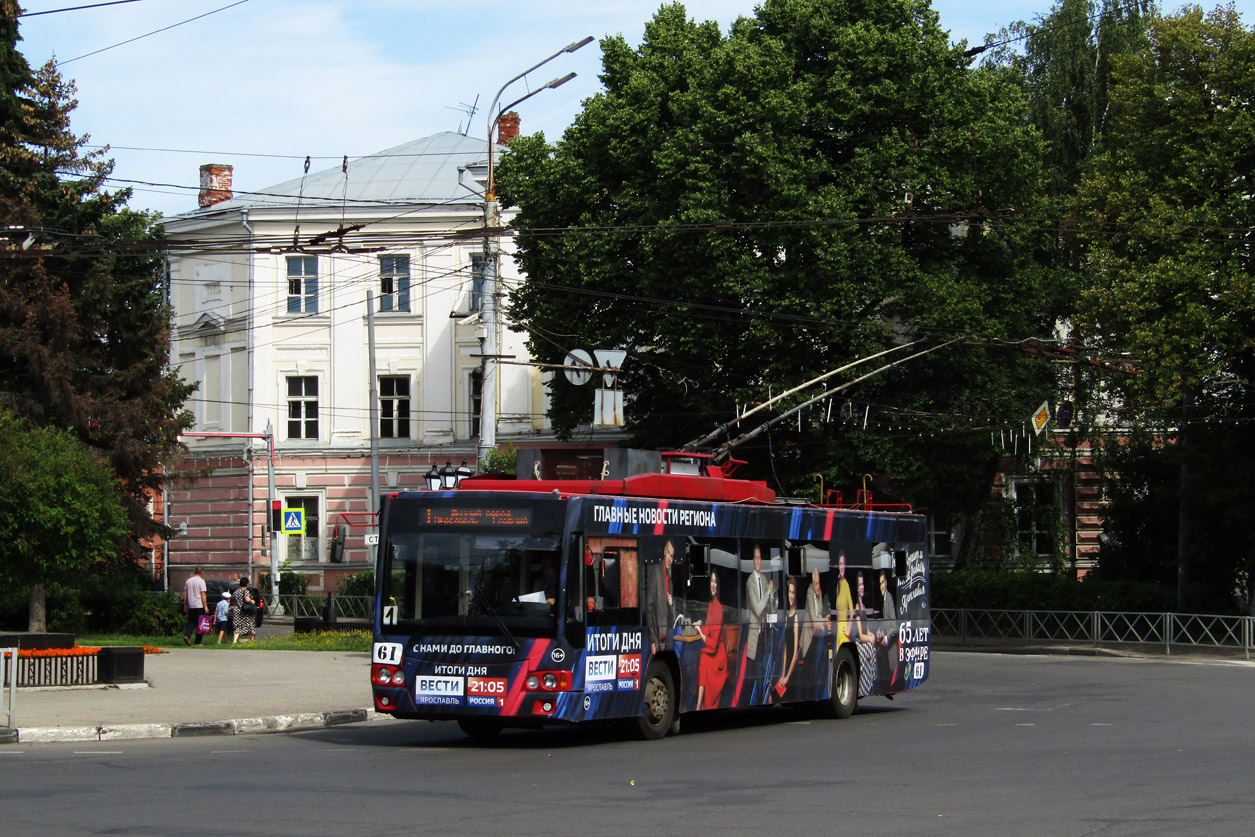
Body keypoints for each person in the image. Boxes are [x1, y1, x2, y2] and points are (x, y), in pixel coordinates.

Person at [743, 543, 775, 695]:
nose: (757, 561)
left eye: (759, 558)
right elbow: (757, 608)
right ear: (752, 561)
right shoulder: (750, 582)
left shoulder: (763, 579)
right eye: (755, 558)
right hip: (754, 637)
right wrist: (768, 592)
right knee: (751, 679)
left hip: (764, 636)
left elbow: (769, 606)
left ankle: (763, 699)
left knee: (762, 676)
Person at [694, 571, 727, 710]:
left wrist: (701, 632)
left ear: (718, 586)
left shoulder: (718, 607)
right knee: (702, 657)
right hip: (713, 651)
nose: (713, 585)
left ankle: (699, 705)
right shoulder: (710, 604)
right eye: (711, 581)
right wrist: (700, 626)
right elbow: (708, 630)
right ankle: (699, 704)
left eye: (715, 582)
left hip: (719, 656)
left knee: (703, 658)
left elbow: (713, 645)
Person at [646, 538, 679, 654]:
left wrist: (671, 605)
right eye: (669, 553)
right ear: (664, 551)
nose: (670, 559)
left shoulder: (670, 582)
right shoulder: (656, 572)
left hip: (666, 638)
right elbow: (649, 608)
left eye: (672, 556)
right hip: (656, 637)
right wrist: (652, 640)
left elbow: (671, 623)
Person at [775, 577, 802, 701]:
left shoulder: (795, 618)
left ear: (796, 595)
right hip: (787, 672)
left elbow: (795, 654)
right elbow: (785, 650)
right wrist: (782, 674)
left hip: (793, 672)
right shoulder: (787, 617)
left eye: (793, 593)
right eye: (789, 592)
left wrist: (787, 677)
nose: (791, 596)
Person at [183, 566, 208, 645]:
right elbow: (203, 594)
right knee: (200, 623)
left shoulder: (188, 581)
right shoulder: (201, 581)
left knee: (191, 622)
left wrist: (185, 604)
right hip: (199, 604)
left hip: (191, 604)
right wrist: (206, 606)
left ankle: (187, 635)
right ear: (202, 572)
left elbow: (185, 593)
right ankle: (198, 642)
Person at [833, 551, 853, 644]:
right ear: (838, 566)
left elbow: (852, 610)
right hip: (838, 631)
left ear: (845, 566)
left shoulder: (846, 585)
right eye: (840, 564)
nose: (841, 567)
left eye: (843, 564)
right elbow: (837, 610)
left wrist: (849, 628)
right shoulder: (838, 586)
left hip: (845, 630)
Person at [230, 577, 257, 643]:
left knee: (237, 627)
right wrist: (252, 601)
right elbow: (247, 599)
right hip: (245, 612)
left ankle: (234, 641)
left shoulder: (236, 592)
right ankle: (252, 641)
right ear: (247, 584)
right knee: (250, 626)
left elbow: (233, 601)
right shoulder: (245, 591)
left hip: (237, 611)